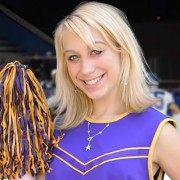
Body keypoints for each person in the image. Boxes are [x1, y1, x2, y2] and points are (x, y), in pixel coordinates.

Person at [18, 1, 180, 180]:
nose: (85, 69)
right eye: (73, 57)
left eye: (96, 51)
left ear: (123, 52)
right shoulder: (56, 128)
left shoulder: (159, 133)